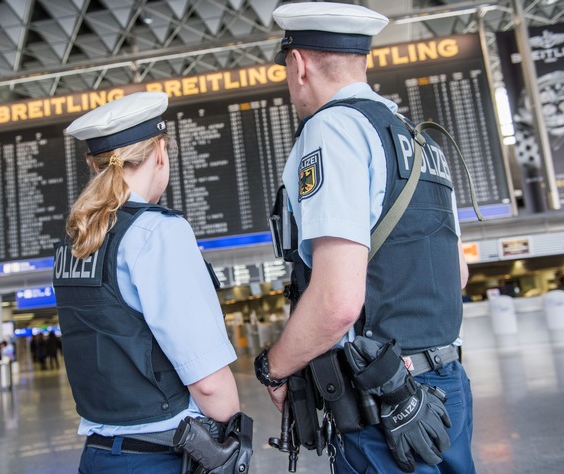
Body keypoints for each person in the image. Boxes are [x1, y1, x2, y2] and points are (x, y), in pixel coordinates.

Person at [254, 3, 475, 473]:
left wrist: (274, 367)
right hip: (449, 386)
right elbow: (457, 273)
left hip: (383, 401)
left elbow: (337, 301)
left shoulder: (332, 129)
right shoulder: (420, 142)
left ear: (299, 64)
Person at [54, 91, 245, 473]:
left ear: (96, 168)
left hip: (98, 456)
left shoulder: (75, 241)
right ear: (160, 152)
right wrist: (233, 443)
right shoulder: (156, 232)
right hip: (159, 456)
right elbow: (208, 382)